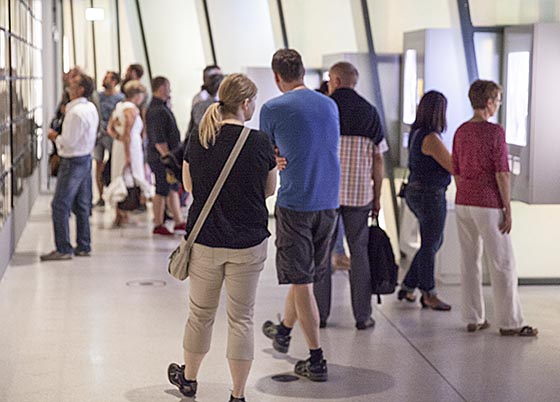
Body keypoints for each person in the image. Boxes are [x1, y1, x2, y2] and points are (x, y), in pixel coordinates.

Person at [167, 74, 277, 402]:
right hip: (248, 242)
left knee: (200, 314)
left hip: (206, 242)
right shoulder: (259, 142)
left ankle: (188, 379)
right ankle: (238, 394)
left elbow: (187, 187)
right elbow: (269, 190)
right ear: (245, 104)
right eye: (253, 100)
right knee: (241, 319)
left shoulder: (200, 139)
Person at [260, 49, 339, 382]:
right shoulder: (329, 104)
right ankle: (283, 331)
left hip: (296, 203)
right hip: (329, 202)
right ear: (303, 72)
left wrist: (278, 157)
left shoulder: (272, 108)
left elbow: (268, 153)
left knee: (301, 280)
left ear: (277, 77)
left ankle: (316, 357)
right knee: (303, 278)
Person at [452, 80, 538, 336]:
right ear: (488, 102)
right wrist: (507, 208)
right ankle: (511, 322)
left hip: (463, 201)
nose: (498, 104)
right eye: (498, 100)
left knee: (469, 261)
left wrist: (465, 192)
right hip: (488, 203)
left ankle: (473, 317)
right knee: (502, 262)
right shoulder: (495, 132)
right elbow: (502, 173)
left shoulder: (461, 131)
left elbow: (455, 169)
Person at [314, 61, 389, 329]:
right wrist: (377, 196)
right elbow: (378, 159)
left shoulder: (324, 110)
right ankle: (362, 316)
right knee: (359, 253)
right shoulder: (369, 112)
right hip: (359, 195)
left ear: (334, 80)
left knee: (322, 253)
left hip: (326, 194)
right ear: (354, 81)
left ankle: (320, 315)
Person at [396, 91, 452, 311]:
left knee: (432, 242)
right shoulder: (431, 138)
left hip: (417, 192)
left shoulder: (417, 133)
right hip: (430, 194)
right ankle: (429, 293)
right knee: (431, 244)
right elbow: (452, 165)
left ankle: (409, 286)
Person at [40, 73, 99, 261]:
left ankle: (63, 248)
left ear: (80, 89)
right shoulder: (90, 107)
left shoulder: (74, 113)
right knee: (81, 205)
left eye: (73, 83)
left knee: (60, 205)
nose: (69, 85)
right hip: (84, 159)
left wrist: (53, 137)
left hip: (72, 161)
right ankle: (84, 244)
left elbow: (68, 142)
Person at [145, 76, 186, 235]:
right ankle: (158, 223)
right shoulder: (157, 110)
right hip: (161, 158)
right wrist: (168, 158)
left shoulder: (161, 108)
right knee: (162, 189)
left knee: (171, 189)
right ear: (161, 87)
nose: (170, 90)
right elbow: (158, 139)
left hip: (165, 157)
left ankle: (178, 220)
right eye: (168, 86)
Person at [106, 80, 148, 226]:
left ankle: (119, 213)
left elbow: (110, 129)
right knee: (129, 179)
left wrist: (118, 138)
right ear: (137, 95)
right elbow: (128, 134)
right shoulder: (132, 110)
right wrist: (128, 155)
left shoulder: (118, 107)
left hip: (118, 146)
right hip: (130, 147)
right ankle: (125, 214)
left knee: (118, 177)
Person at [93, 71, 125, 207]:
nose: (105, 80)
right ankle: (100, 196)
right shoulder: (97, 97)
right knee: (98, 164)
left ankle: (114, 195)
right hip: (99, 135)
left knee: (113, 164)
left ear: (115, 82)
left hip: (112, 136)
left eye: (108, 78)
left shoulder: (120, 98)